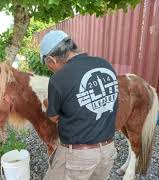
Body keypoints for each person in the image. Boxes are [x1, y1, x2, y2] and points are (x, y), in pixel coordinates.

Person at [41, 30, 118, 180]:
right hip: (108, 152)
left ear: (51, 60)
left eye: (49, 67)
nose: (51, 70)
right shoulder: (105, 64)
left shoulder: (58, 79)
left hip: (78, 157)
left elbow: (53, 117)